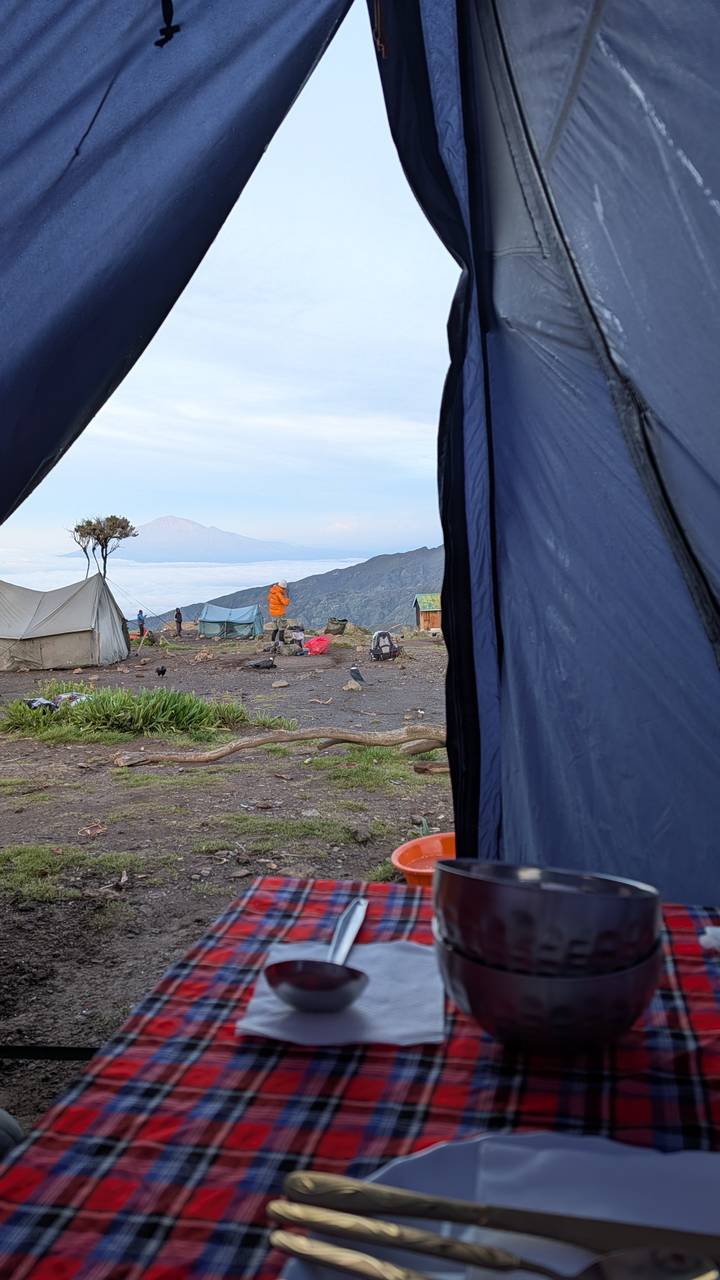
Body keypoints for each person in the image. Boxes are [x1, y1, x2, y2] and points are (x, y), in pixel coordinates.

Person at [268, 579, 289, 645]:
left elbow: (269, 599)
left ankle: (272, 643)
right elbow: (285, 603)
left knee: (275, 629)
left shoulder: (272, 592)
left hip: (273, 613)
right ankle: (281, 644)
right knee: (281, 629)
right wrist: (287, 597)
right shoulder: (279, 593)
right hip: (280, 613)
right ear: (283, 587)